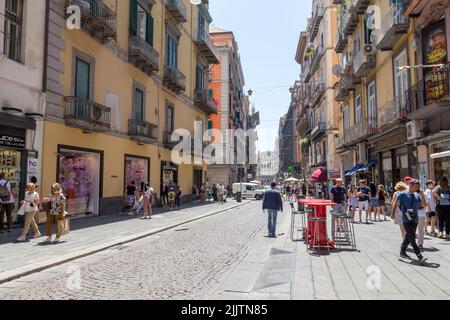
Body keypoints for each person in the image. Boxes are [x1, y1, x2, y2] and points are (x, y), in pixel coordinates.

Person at [392, 179, 428, 265]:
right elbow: (395, 203)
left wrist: (422, 195)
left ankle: (402, 251)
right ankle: (419, 256)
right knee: (412, 236)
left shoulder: (417, 194)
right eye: (416, 187)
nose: (417, 188)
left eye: (418, 187)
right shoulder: (402, 194)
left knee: (409, 235)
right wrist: (392, 214)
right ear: (410, 186)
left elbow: (423, 205)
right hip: (406, 218)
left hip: (415, 218)